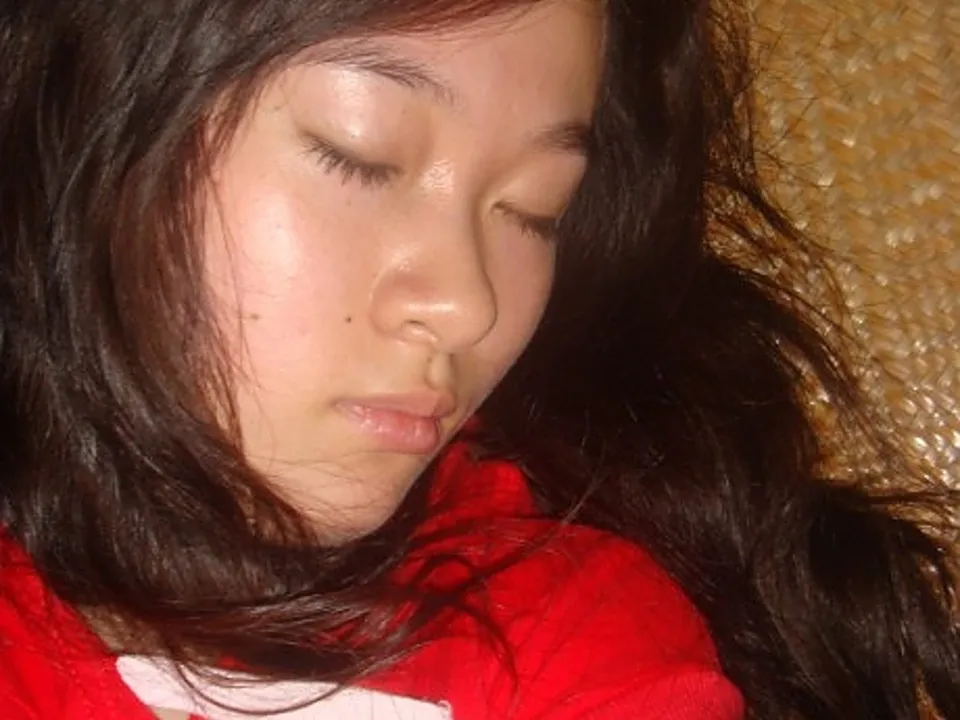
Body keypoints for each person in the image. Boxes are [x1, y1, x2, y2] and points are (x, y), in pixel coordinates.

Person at [0, 0, 957, 717]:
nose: (470, 304)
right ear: (83, 116)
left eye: (534, 209)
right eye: (359, 154)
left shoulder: (568, 636)